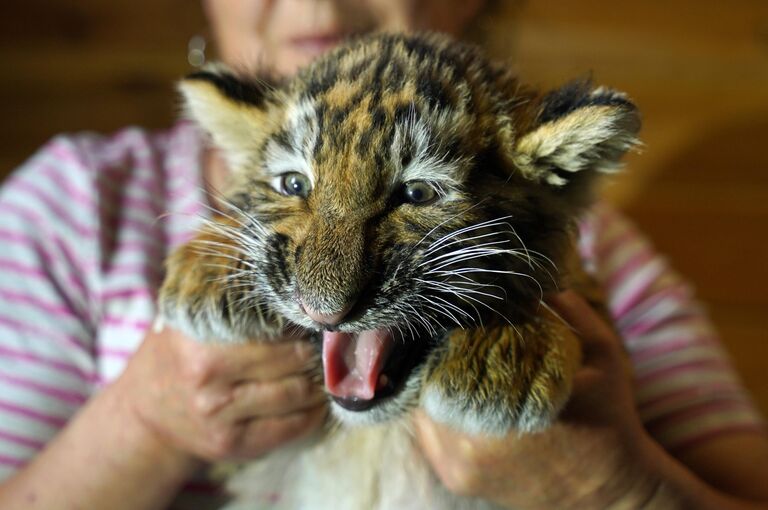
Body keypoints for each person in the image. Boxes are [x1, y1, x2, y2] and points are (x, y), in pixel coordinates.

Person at [0, 1, 766, 508]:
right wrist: (143, 423)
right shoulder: (76, 205)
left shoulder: (592, 245)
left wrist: (611, 488)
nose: (320, 5)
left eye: (418, 195)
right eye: (292, 181)